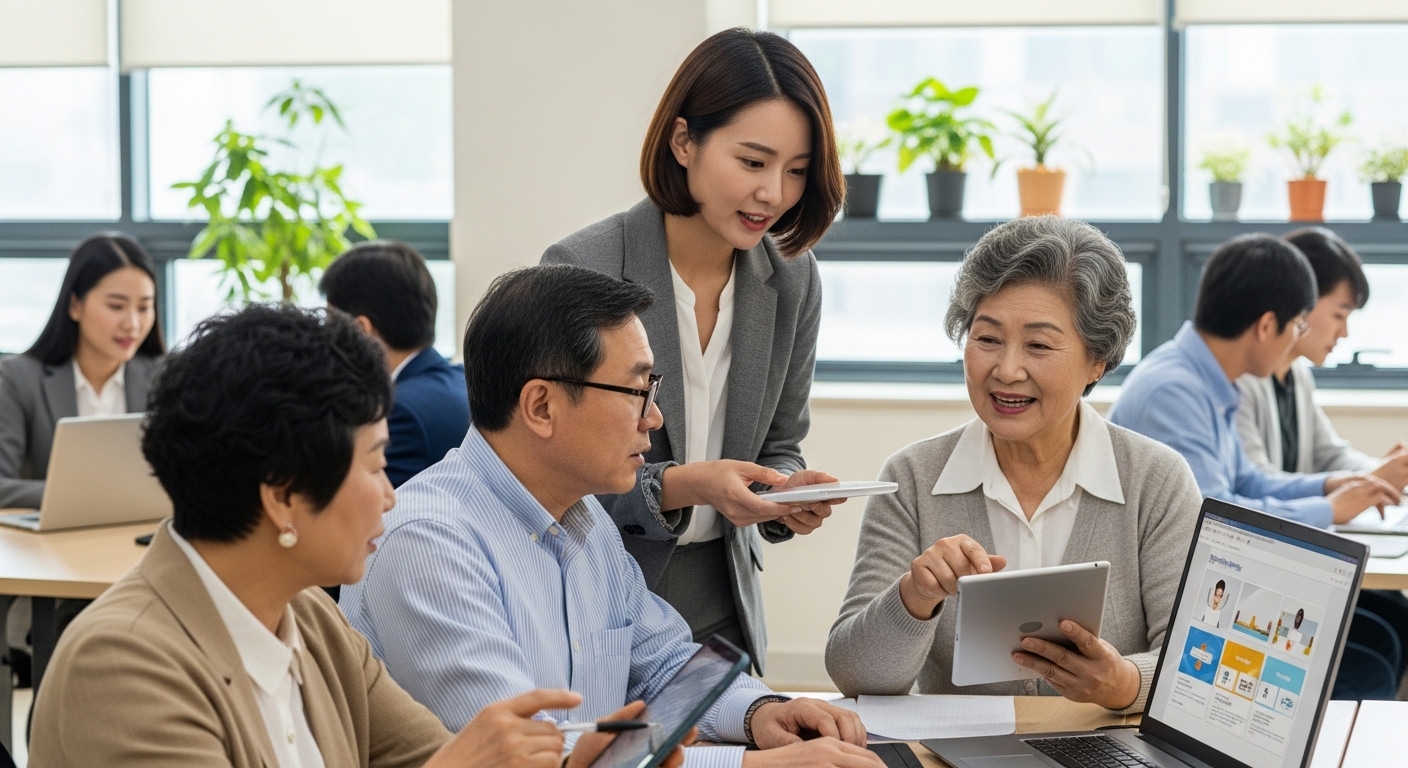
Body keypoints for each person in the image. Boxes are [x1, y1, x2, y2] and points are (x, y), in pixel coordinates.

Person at [28, 304, 681, 768]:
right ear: (283, 495)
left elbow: (436, 754)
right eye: (373, 465)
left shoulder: (310, 621)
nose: (390, 495)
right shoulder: (121, 664)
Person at [342, 265, 882, 768]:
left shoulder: (586, 520)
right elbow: (533, 752)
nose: (654, 417)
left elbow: (666, 664)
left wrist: (760, 712)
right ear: (541, 407)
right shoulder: (428, 543)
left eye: (653, 389)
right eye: (636, 391)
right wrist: (748, 764)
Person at [540, 27, 847, 673]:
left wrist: (783, 492)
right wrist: (686, 486)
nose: (774, 193)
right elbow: (551, 475)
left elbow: (780, 441)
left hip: (723, 605)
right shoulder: (582, 269)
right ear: (684, 142)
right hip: (598, 597)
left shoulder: (791, 277)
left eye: (796, 170)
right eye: (753, 162)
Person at [825, 217, 1202, 714]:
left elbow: (1198, 667)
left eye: (1038, 345)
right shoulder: (912, 477)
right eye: (987, 339)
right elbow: (855, 676)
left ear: (1098, 360)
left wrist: (1124, 684)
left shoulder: (1157, 481)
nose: (1006, 370)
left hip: (1102, 746)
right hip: (954, 751)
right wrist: (914, 597)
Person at [1107, 233, 1399, 528]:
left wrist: (1328, 487)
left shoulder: (1210, 380)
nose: (1296, 338)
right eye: (1298, 325)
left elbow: (1248, 482)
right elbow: (1211, 517)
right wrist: (1328, 510)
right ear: (1267, 326)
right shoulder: (1174, 393)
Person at [0, 232, 165, 687]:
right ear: (75, 305)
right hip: (53, 572)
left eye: (145, 307)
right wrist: (78, 497)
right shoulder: (18, 378)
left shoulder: (162, 377)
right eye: (116, 305)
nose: (133, 322)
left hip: (142, 563)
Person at [1235, 227, 1408, 487]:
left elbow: (1329, 455)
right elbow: (1256, 485)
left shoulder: (1297, 375)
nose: (1344, 333)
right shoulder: (1241, 378)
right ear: (1300, 299)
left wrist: (1383, 472)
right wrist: (1369, 479)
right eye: (1338, 315)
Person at [320, 240, 469, 488]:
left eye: (331, 326)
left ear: (361, 330)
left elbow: (369, 508)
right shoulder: (463, 380)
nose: (328, 341)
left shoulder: (396, 412)